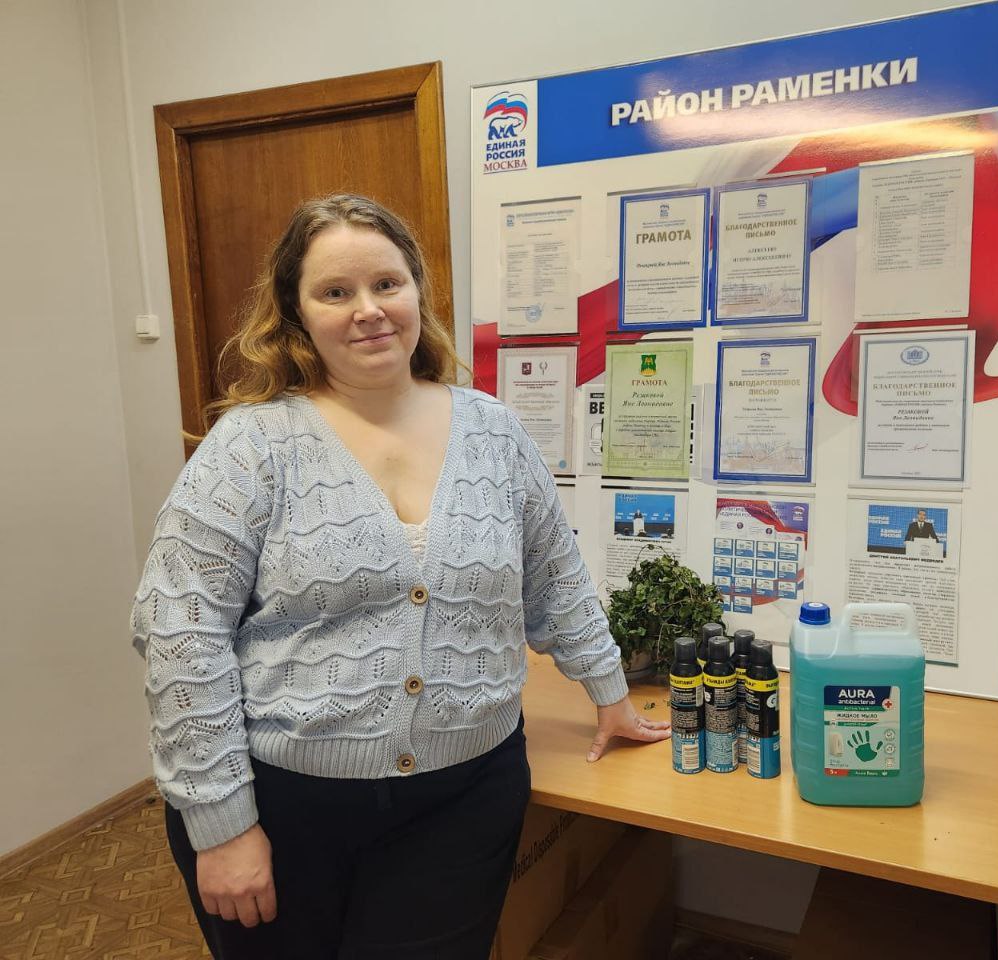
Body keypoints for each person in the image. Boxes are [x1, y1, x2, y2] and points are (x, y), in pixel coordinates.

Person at [130, 194, 670, 960]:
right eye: (335, 291)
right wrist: (220, 825)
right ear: (296, 313)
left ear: (417, 290)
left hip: (463, 803)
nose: (368, 310)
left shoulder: (493, 432)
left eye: (387, 283)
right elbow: (180, 635)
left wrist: (610, 693)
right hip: (284, 807)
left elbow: (555, 577)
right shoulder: (251, 447)